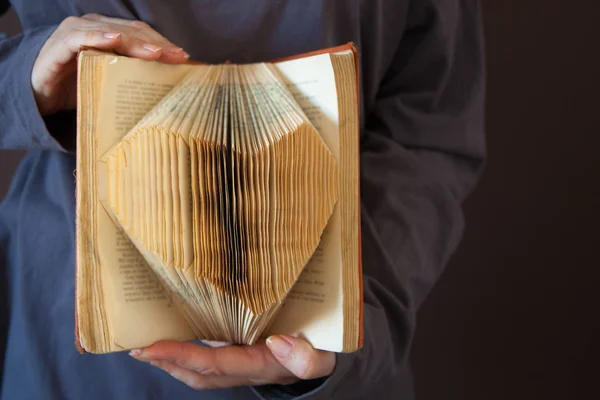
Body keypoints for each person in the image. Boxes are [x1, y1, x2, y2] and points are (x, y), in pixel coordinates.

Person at [0, 0, 485, 399]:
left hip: (330, 337)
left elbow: (429, 129)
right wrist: (27, 78)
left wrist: (356, 320)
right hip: (75, 355)